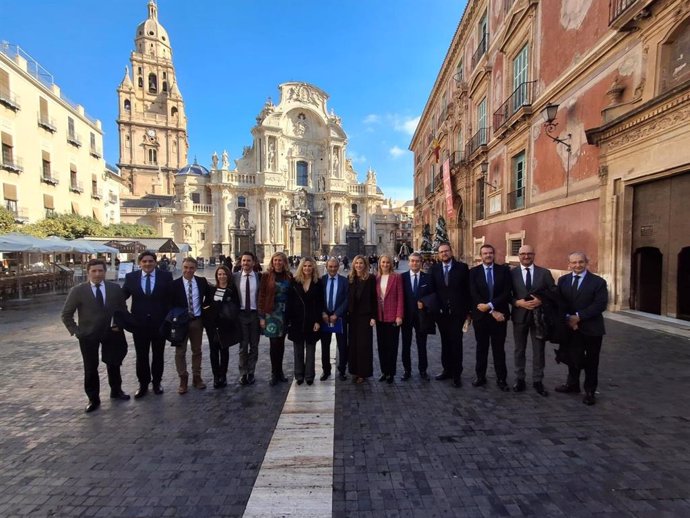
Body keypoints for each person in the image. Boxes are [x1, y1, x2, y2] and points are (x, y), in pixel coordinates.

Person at [61, 259, 130, 413]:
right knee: (90, 367)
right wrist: (76, 331)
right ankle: (93, 398)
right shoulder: (78, 291)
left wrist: (120, 324)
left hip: (111, 333)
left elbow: (122, 310)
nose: (97, 274)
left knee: (114, 363)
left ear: (105, 272)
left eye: (100, 271)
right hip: (88, 335)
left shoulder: (114, 288)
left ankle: (116, 390)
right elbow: (66, 314)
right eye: (94, 271)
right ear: (88, 273)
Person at [555, 252, 608, 405]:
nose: (577, 265)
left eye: (581, 262)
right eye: (574, 263)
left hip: (592, 329)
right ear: (569, 264)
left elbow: (600, 305)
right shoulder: (563, 280)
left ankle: (590, 391)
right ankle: (572, 384)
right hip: (570, 328)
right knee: (572, 357)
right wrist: (567, 318)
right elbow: (559, 302)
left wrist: (578, 317)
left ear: (586, 263)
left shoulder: (598, 282)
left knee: (592, 361)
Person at [122, 251, 173, 398]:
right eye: (144, 261)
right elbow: (122, 297)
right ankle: (143, 384)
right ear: (140, 263)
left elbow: (170, 299)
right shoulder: (131, 278)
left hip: (159, 323)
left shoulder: (165, 276)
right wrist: (128, 317)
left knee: (158, 355)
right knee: (141, 356)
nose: (147, 264)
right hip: (140, 324)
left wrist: (168, 318)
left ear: (155, 262)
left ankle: (157, 383)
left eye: (150, 261)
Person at [510, 245, 555, 396]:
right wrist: (517, 303)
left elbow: (553, 292)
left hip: (539, 318)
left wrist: (541, 300)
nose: (526, 256)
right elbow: (507, 294)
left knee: (539, 350)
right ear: (519, 256)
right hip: (519, 316)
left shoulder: (544, 273)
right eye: (523, 254)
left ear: (534, 255)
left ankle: (538, 380)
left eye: (529, 254)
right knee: (519, 349)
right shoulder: (512, 273)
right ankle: (520, 379)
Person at [469, 244, 512, 391]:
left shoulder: (504, 271)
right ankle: (480, 376)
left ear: (494, 254)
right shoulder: (473, 272)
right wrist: (490, 310)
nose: (488, 255)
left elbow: (507, 292)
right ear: (481, 256)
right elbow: (474, 294)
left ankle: (501, 379)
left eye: (490, 253)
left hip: (500, 317)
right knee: (481, 348)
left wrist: (491, 305)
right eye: (485, 253)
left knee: (499, 349)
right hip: (481, 317)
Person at [429, 242, 471, 387]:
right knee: (445, 342)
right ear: (439, 255)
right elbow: (432, 291)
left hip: (458, 313)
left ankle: (457, 374)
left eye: (446, 251)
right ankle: (446, 370)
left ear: (451, 252)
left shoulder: (462, 268)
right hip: (441, 314)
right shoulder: (434, 269)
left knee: (456, 342)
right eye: (441, 252)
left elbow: (468, 290)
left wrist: (468, 312)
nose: (444, 254)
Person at [171, 257, 211, 394]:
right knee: (180, 351)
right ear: (182, 267)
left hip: (196, 321)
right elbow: (169, 303)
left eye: (191, 268)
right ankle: (183, 378)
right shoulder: (174, 285)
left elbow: (210, 296)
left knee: (197, 350)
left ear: (195, 269)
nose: (188, 270)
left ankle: (197, 377)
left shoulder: (201, 282)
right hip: (180, 323)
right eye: (186, 267)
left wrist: (206, 310)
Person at [286, 257, 324, 385]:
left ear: (313, 267)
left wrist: (318, 321)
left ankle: (309, 376)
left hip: (312, 320)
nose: (307, 268)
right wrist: (289, 321)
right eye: (305, 266)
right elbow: (289, 302)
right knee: (298, 350)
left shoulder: (318, 283)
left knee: (311, 349)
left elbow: (320, 304)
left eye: (310, 266)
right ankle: (299, 375)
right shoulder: (294, 282)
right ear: (301, 267)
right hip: (297, 320)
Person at [259, 252, 293, 386]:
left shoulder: (289, 276)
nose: (277, 263)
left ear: (285, 262)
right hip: (271, 313)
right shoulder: (266, 276)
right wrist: (261, 317)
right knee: (274, 344)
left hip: (284, 313)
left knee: (281, 343)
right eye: (275, 260)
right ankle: (274, 372)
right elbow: (261, 296)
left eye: (280, 260)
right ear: (272, 262)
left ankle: (280, 372)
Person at [204, 265, 241, 389]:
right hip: (213, 326)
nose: (222, 276)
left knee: (224, 350)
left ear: (228, 276)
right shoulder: (211, 290)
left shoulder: (232, 291)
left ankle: (223, 376)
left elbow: (236, 307)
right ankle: (216, 376)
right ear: (216, 276)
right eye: (219, 274)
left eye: (224, 274)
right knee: (213, 352)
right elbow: (206, 305)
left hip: (226, 325)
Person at [400, 252, 434, 381]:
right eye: (412, 261)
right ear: (409, 263)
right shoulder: (402, 278)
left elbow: (432, 295)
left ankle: (423, 370)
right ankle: (407, 370)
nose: (415, 263)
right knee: (406, 344)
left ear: (421, 263)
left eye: (417, 261)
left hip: (422, 316)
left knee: (422, 344)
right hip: (407, 316)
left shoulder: (428, 277)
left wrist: (424, 303)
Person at [347, 255, 378, 384]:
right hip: (353, 316)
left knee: (364, 345)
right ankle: (354, 370)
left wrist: (373, 317)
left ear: (365, 265)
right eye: (356, 263)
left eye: (361, 263)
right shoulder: (350, 278)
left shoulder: (371, 278)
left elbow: (374, 299)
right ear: (353, 265)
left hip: (365, 316)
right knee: (353, 344)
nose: (358, 265)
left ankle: (363, 373)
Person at [233, 251, 262, 385]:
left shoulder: (259, 277)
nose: (246, 263)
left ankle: (251, 372)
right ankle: (243, 373)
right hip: (241, 315)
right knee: (243, 346)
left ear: (253, 262)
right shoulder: (235, 277)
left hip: (255, 315)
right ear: (241, 262)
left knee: (254, 346)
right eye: (244, 260)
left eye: (248, 260)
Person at [375, 254, 404, 383]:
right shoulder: (376, 278)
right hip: (380, 317)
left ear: (391, 264)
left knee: (392, 346)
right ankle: (384, 371)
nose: (385, 264)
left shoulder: (396, 277)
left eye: (387, 262)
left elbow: (400, 298)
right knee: (381, 346)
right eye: (383, 262)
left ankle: (391, 373)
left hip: (392, 317)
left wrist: (399, 315)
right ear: (379, 264)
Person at [320, 257, 349, 381]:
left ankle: (342, 370)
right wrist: (323, 313)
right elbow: (318, 298)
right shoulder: (321, 280)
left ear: (339, 267)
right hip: (325, 318)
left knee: (342, 345)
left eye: (335, 266)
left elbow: (347, 299)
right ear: (326, 267)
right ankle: (326, 371)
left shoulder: (344, 281)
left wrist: (337, 314)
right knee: (325, 346)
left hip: (340, 317)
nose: (332, 269)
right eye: (330, 266)